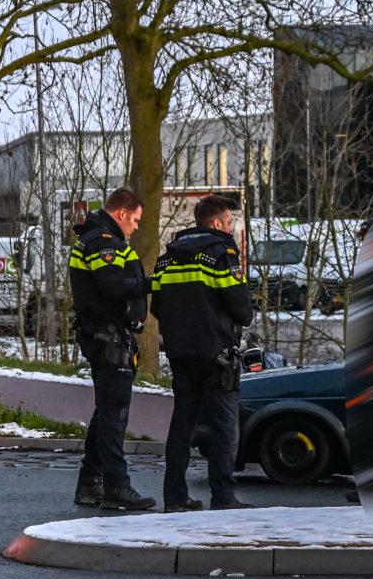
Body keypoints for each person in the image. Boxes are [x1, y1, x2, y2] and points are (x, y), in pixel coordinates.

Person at [152, 193, 254, 510]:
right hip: (217, 354)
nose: (232, 227)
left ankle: (175, 496)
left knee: (182, 424)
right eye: (229, 221)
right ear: (216, 224)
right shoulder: (222, 254)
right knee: (225, 426)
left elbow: (156, 307)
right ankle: (223, 496)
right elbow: (242, 310)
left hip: (180, 353)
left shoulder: (166, 258)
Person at [68, 187, 154, 511]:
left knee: (105, 411)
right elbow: (113, 286)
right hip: (109, 338)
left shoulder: (97, 238)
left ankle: (90, 483)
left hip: (106, 336)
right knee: (114, 414)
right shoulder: (104, 242)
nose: (136, 226)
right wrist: (153, 283)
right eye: (135, 220)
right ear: (122, 214)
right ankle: (118, 485)